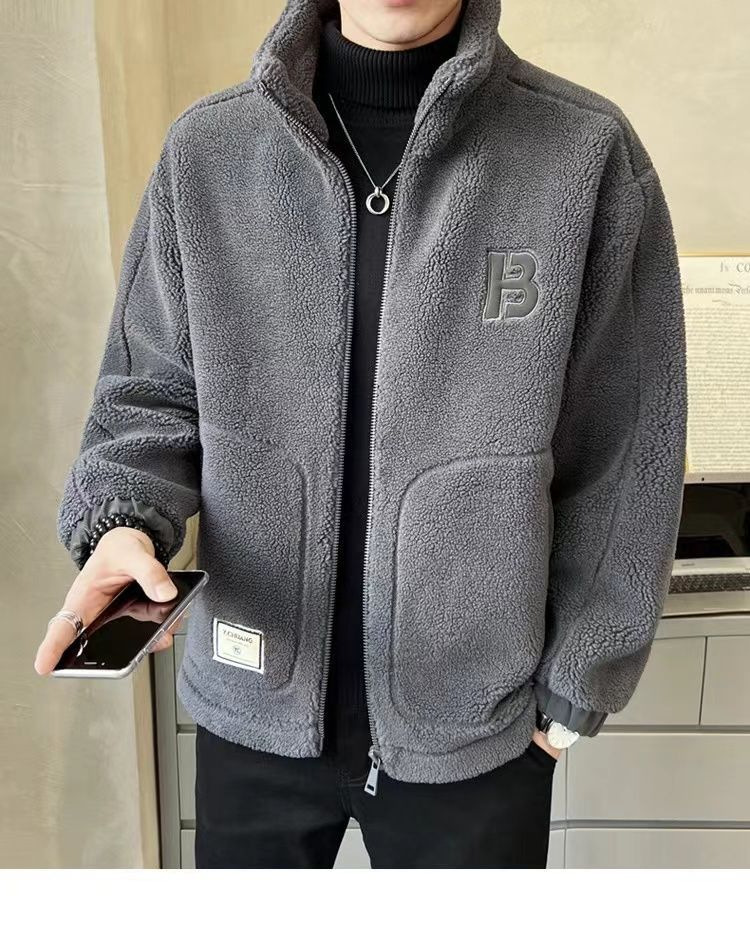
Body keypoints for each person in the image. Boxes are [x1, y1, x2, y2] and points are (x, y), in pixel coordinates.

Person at [35, 0, 687, 868]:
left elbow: (629, 442)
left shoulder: (583, 152)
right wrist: (122, 521)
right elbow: (147, 393)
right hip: (253, 703)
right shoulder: (209, 152)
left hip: (478, 731)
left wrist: (577, 684)